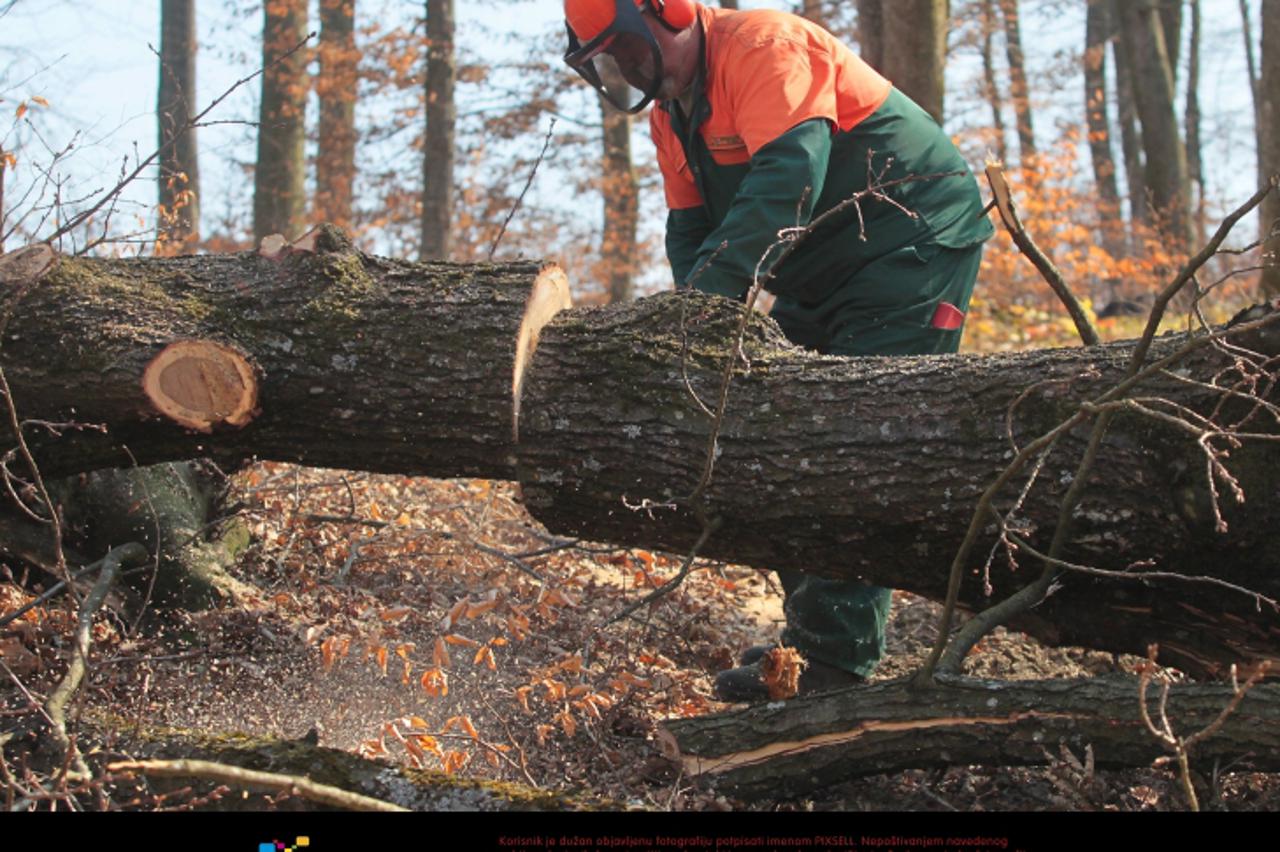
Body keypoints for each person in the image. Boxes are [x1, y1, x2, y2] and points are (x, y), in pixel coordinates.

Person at [563, 0, 994, 701]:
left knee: (852, 437)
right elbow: (689, 230)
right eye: (614, 66)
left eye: (632, 55)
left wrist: (705, 307)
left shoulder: (764, 45)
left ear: (668, 14)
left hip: (910, 241)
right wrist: (689, 329)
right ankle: (814, 640)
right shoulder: (670, 117)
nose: (633, 73)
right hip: (819, 265)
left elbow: (786, 180)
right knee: (771, 431)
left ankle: (835, 660)